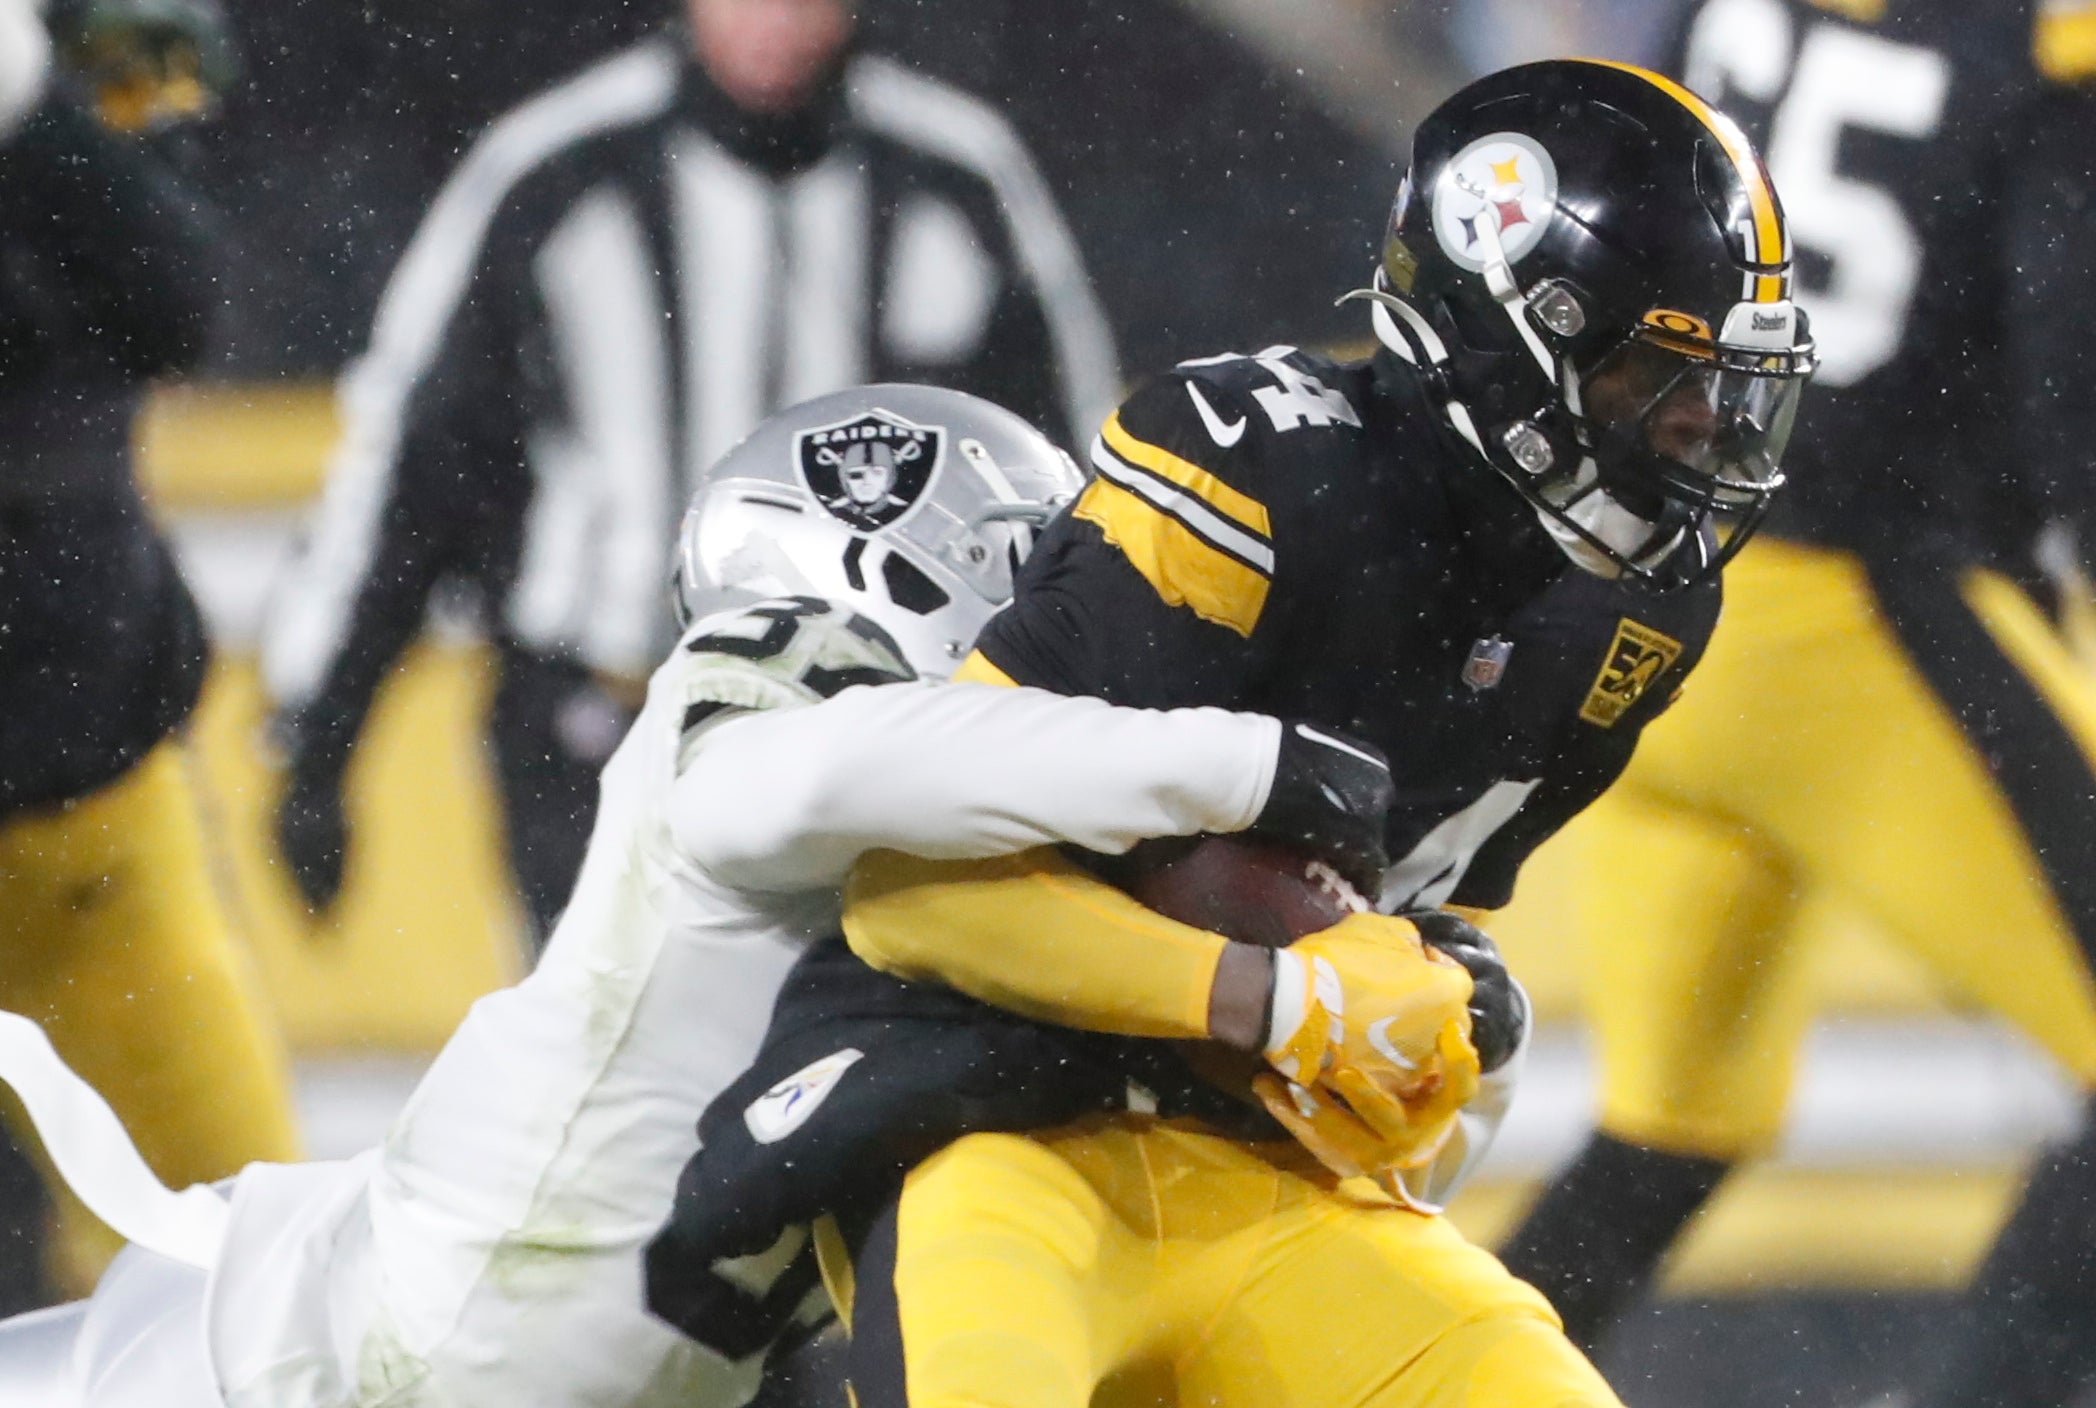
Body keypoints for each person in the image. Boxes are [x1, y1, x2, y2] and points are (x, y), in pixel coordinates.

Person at [649, 57, 1818, 1408]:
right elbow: (915, 898)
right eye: (1657, 374)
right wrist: (1263, 996)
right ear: (1515, 333)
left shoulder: (1636, 617)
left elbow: (1389, 928)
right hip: (986, 1139)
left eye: (1721, 383)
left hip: (1273, 1182)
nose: (1702, 427)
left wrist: (1431, 995)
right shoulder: (1254, 473)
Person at [0, 385, 1403, 1408]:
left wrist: (1402, 982)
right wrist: (1239, 762)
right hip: (347, 1364)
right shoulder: (772, 692)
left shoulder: (993, 856)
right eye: (1047, 571)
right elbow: (796, 785)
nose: (1087, 624)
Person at [1495, 9, 2096, 1407]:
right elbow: (2065, 339)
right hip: (1853, 609)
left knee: (1670, 1124)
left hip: (1649, 596)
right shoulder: (2028, 38)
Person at [260, 0, 1120, 945]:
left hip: (875, 728)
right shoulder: (557, 168)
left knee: (852, 1026)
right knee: (619, 1025)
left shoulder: (954, 174)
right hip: (606, 718)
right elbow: (418, 458)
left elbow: (1065, 480)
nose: (773, 18)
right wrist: (323, 732)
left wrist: (1103, 707)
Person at [0, 0, 300, 1307]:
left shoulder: (75, 63)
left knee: (241, 1291)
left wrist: (28, 113)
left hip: (88, 817)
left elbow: (174, 302)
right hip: (78, 760)